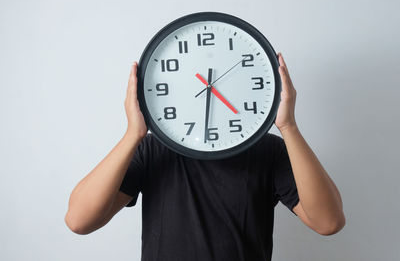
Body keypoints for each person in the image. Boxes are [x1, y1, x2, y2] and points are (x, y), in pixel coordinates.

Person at [64, 52, 345, 260]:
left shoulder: (268, 151)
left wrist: (288, 127)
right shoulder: (153, 150)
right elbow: (79, 220)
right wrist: (132, 135)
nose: (209, 90)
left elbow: (328, 222)